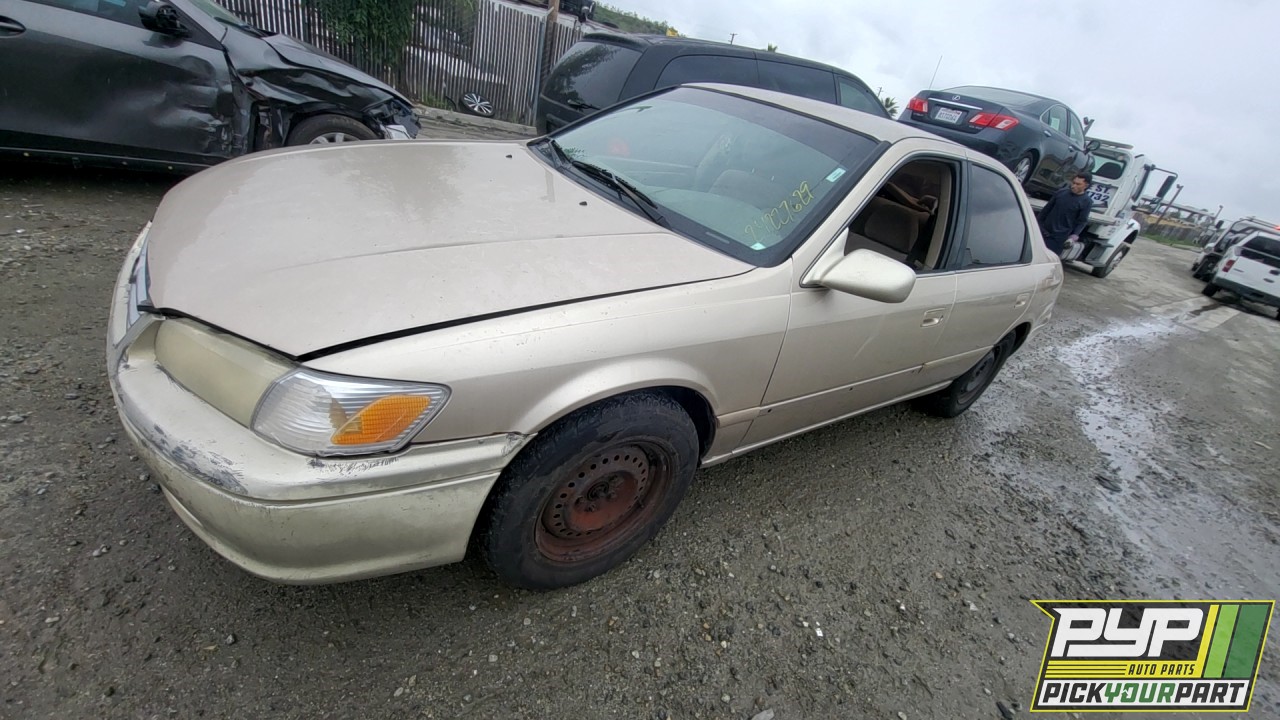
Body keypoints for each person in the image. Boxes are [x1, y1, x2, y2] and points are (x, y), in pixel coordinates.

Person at [1037, 172, 1094, 255]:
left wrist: (1074, 236)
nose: (1073, 186)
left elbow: (1082, 221)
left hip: (1058, 238)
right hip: (1043, 232)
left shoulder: (1086, 201)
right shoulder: (1061, 193)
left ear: (1086, 185)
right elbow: (1045, 211)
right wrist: (1038, 225)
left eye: (1078, 184)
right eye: (1073, 183)